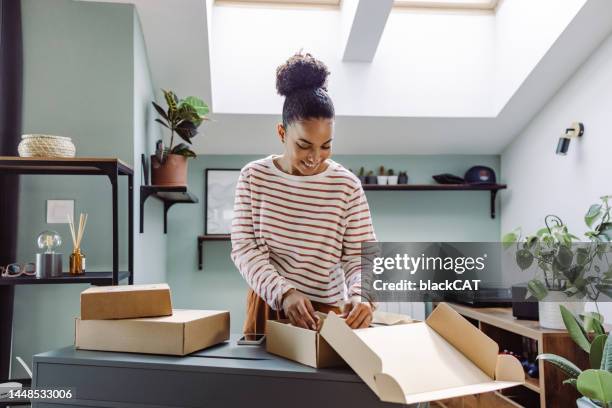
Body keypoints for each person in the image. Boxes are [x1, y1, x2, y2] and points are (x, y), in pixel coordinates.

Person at [231, 52, 376, 335]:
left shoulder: (346, 186)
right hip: (268, 305)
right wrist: (285, 294)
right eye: (304, 145)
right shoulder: (254, 177)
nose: (315, 157)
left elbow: (362, 257)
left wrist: (362, 296)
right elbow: (244, 249)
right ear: (282, 133)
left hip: (326, 312)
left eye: (326, 146)